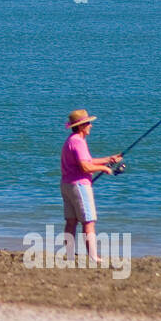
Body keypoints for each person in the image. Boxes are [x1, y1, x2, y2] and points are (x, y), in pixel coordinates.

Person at [60, 109, 122, 264]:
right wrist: (105, 169)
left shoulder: (72, 140)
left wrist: (109, 159)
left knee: (71, 221)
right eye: (88, 123)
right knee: (89, 222)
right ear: (81, 126)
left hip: (67, 185)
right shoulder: (78, 142)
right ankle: (94, 257)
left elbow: (88, 161)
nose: (90, 126)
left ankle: (68, 255)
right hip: (79, 186)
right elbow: (85, 167)